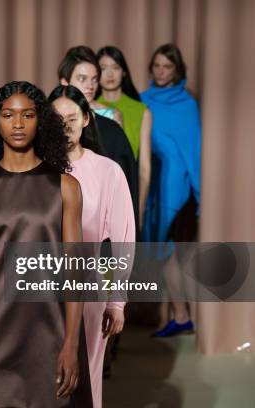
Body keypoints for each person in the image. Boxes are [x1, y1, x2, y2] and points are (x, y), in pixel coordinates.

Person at [0, 81, 92, 407]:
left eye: (27, 115)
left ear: (41, 121)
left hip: (46, 334)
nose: (17, 124)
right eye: (8, 115)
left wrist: (71, 344)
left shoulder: (66, 188)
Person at [49, 85, 135, 408]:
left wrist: (116, 301)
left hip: (89, 292)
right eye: (57, 119)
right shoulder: (36, 170)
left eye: (73, 118)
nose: (66, 126)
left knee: (85, 381)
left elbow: (122, 240)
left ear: (86, 119)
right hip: (39, 289)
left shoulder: (108, 172)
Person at [141, 44, 201, 337]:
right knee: (160, 252)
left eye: (168, 67)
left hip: (176, 189)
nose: (162, 72)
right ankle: (181, 315)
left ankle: (181, 315)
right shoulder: (143, 100)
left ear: (177, 70)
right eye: (157, 66)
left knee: (166, 252)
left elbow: (194, 151)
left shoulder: (186, 104)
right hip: (149, 185)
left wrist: (199, 194)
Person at [58, 46, 139, 225]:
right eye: (82, 79)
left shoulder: (111, 124)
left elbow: (122, 175)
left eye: (94, 79)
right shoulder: (48, 124)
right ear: (64, 82)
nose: (90, 86)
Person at [97, 45, 152, 229]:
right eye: (103, 68)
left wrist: (140, 207)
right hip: (96, 189)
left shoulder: (141, 111)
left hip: (128, 188)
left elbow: (144, 167)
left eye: (115, 67)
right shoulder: (88, 108)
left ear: (124, 72)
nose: (110, 74)